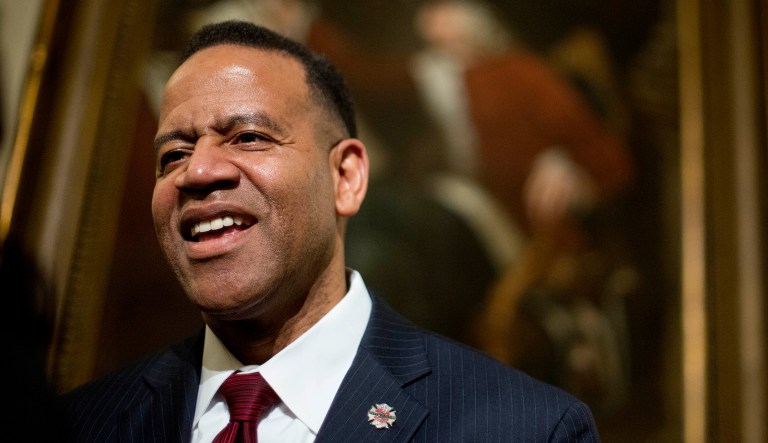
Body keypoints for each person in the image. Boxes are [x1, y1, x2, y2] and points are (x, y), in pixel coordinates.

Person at [61, 20, 599, 442]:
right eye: (173, 154)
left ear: (346, 178)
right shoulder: (76, 426)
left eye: (247, 137)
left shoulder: (522, 428)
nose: (197, 172)